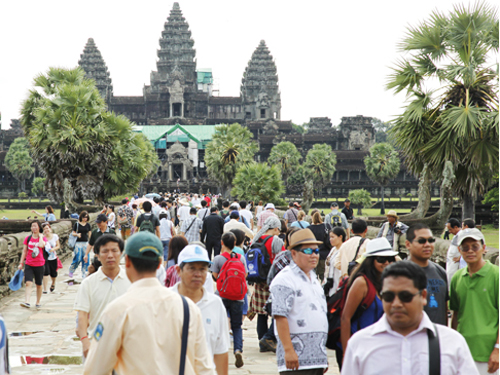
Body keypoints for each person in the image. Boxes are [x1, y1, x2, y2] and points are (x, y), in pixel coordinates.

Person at [83, 232, 215, 375]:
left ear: (127, 261)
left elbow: (94, 369)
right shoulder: (187, 308)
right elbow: (204, 368)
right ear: (159, 263)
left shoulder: (117, 311)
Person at [341, 261, 479, 375]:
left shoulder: (451, 343)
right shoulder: (360, 344)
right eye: (388, 297)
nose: (396, 304)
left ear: (423, 296)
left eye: (405, 296)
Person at [270, 228, 327, 374]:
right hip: (296, 360)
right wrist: (288, 350)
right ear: (294, 253)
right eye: (308, 251)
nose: (314, 255)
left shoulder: (314, 278)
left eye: (316, 251)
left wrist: (322, 356)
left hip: (316, 359)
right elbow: (280, 316)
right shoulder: (285, 279)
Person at [173, 245, 229, 375]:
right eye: (191, 268)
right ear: (178, 270)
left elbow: (221, 351)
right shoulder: (165, 302)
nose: (198, 274)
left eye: (203, 269)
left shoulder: (215, 304)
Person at [340, 238, 397, 367]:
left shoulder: (387, 282)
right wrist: (346, 353)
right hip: (361, 348)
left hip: (381, 348)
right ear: (371, 261)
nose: (387, 263)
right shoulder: (361, 283)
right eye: (381, 259)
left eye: (390, 259)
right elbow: (345, 318)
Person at [450, 228, 499, 375]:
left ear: (483, 248)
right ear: (459, 250)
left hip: (488, 352)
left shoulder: (496, 276)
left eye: (475, 246)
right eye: (465, 248)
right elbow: (455, 314)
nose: (470, 251)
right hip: (463, 349)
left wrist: (497, 348)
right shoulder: (457, 278)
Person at [74, 234, 131, 359]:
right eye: (105, 251)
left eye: (114, 251)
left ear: (121, 253)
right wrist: (85, 342)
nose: (110, 255)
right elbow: (82, 315)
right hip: (97, 345)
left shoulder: (131, 279)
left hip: (127, 347)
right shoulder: (88, 283)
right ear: (98, 256)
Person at [211, 232, 247, 368]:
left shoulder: (218, 258)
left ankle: (220, 349)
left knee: (219, 324)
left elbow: (214, 277)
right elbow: (245, 276)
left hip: (222, 295)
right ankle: (238, 350)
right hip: (238, 297)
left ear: (222, 243)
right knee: (237, 326)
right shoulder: (241, 258)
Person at [248, 216, 285, 345]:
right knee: (275, 310)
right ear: (275, 228)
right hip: (272, 280)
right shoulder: (276, 240)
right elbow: (282, 259)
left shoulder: (257, 239)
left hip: (259, 279)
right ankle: (268, 339)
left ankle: (261, 339)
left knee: (261, 313)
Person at [405, 223, 448, 326]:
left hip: (437, 337)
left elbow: (444, 308)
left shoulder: (440, 272)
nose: (427, 244)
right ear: (408, 244)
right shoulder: (398, 273)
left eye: (431, 240)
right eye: (421, 241)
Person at [19, 221, 47, 308]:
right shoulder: (28, 238)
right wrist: (21, 263)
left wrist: (41, 237)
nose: (33, 228)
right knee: (28, 283)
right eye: (32, 226)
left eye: (35, 226)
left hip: (39, 264)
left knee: (38, 284)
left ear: (39, 227)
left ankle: (38, 301)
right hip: (29, 263)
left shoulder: (43, 238)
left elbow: (41, 245)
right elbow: (24, 251)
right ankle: (27, 301)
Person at [307, 211, 331, 282]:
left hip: (312, 254)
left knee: (312, 275)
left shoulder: (309, 228)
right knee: (324, 276)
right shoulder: (326, 226)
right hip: (325, 253)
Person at [324, 227, 347, 296]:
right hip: (329, 283)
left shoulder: (344, 250)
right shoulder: (333, 249)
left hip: (338, 283)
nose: (330, 239)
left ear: (340, 237)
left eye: (332, 237)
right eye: (330, 237)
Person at [69, 211, 91, 279]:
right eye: (84, 217)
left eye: (86, 217)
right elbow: (73, 233)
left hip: (85, 243)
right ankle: (72, 269)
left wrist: (91, 242)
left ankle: (85, 272)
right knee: (78, 258)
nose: (85, 218)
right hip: (78, 243)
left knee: (85, 258)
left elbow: (89, 234)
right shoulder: (77, 224)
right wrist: (77, 234)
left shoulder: (88, 225)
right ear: (81, 217)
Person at [41, 222, 59, 293]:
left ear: (50, 229)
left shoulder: (55, 236)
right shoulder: (42, 237)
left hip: (53, 257)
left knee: (53, 273)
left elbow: (58, 246)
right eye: (44, 229)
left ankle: (53, 283)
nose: (46, 230)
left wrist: (53, 249)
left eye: (47, 228)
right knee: (45, 272)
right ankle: (45, 289)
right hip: (45, 257)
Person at [445, 217, 462, 284]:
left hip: (456, 263)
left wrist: (460, 257)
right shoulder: (456, 235)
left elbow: (467, 247)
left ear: (455, 227)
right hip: (451, 262)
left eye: (450, 229)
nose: (450, 232)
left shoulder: (462, 235)